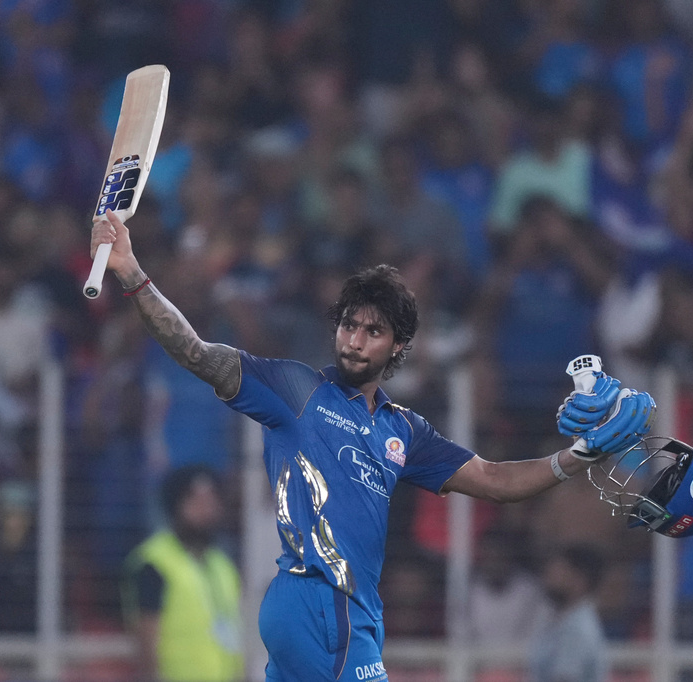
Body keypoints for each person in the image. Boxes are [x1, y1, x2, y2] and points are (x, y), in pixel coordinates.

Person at [90, 208, 655, 681]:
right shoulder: (295, 388)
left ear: (399, 347)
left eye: (373, 331)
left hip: (346, 611)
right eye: (348, 325)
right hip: (318, 601)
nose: (355, 341)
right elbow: (194, 350)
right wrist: (133, 273)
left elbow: (495, 481)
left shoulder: (404, 430)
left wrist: (581, 454)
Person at [121, 465, 243, 682]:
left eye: (211, 503)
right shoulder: (155, 563)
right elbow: (146, 641)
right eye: (196, 503)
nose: (206, 512)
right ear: (175, 507)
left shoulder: (223, 565)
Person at [527, 544, 609, 682]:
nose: (548, 576)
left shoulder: (575, 630)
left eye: (559, 570)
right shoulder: (560, 623)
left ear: (580, 579)